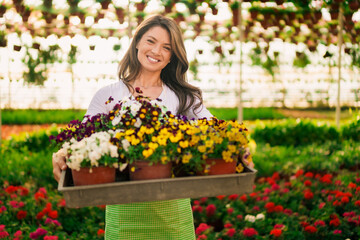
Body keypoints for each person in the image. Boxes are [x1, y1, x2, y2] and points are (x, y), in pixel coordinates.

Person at [52, 14, 213, 239]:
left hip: (173, 218)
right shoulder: (108, 95)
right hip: (123, 216)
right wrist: (62, 153)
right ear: (137, 42)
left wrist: (240, 150)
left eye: (166, 47)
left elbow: (215, 132)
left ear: (171, 57)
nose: (156, 51)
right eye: (150, 41)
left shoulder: (183, 98)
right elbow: (83, 141)